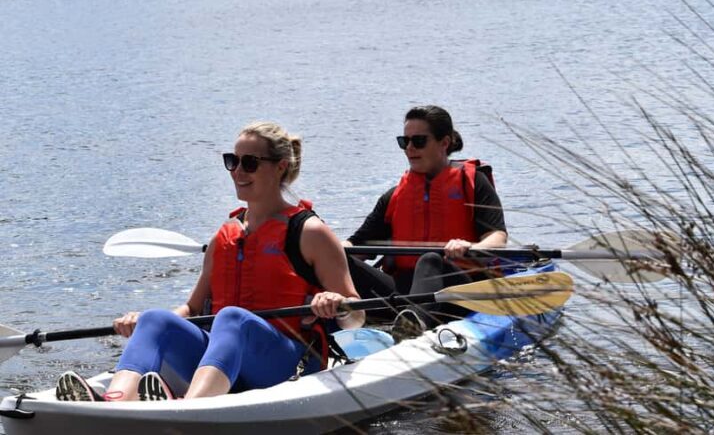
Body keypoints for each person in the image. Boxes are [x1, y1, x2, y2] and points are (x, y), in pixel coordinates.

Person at [55, 121, 364, 402]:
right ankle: (116, 402)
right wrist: (141, 326)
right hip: (224, 362)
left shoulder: (310, 232)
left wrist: (337, 303)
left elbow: (357, 316)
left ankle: (190, 407)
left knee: (232, 318)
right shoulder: (224, 237)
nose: (238, 172)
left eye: (250, 163)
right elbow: (192, 309)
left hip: (287, 363)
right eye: (232, 161)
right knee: (155, 319)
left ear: (280, 167)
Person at [344, 106, 507, 339]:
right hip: (403, 295)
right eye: (404, 142)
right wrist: (326, 250)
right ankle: (352, 322)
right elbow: (356, 244)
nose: (410, 148)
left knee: (431, 259)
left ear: (444, 143)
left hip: (458, 292)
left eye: (419, 141)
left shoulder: (473, 184)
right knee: (339, 259)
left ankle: (412, 328)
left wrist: (471, 247)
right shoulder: (394, 196)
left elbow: (497, 237)